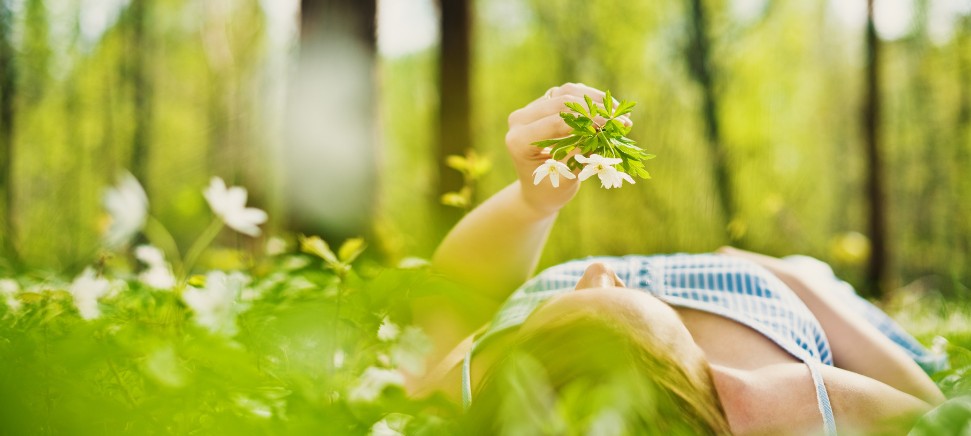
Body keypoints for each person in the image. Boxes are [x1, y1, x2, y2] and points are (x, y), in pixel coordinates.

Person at [406, 83, 947, 435]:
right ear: (727, 389)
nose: (600, 273)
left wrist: (532, 201)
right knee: (816, 270)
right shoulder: (781, 400)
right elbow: (935, 411)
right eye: (612, 292)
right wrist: (794, 281)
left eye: (576, 302)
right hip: (761, 294)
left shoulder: (476, 391)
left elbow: (458, 292)